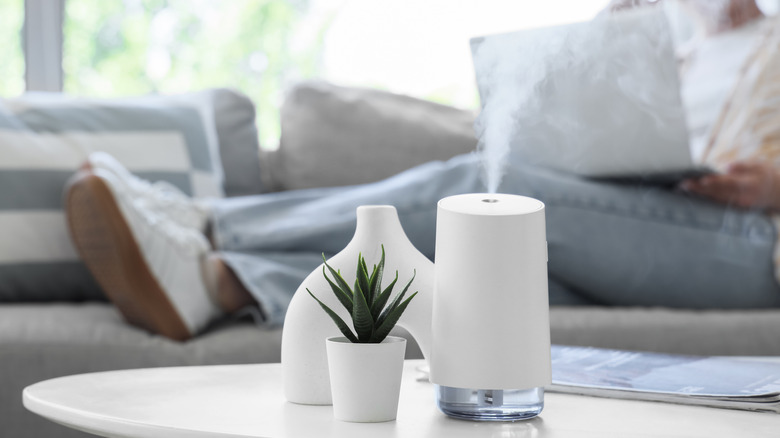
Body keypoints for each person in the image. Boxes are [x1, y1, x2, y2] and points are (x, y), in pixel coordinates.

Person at [66, 0, 780, 341]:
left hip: (751, 251)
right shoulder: (671, 36)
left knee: (482, 190)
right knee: (480, 272)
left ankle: (210, 221)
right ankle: (223, 281)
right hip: (657, 222)